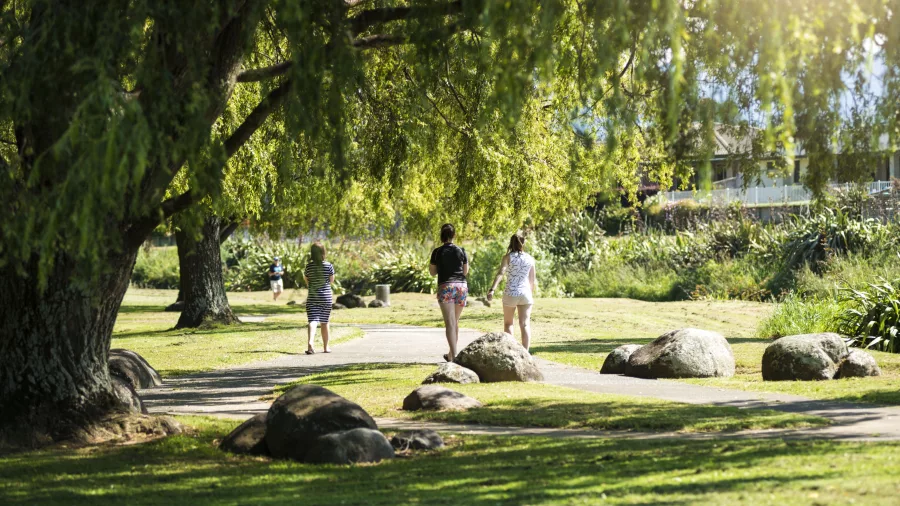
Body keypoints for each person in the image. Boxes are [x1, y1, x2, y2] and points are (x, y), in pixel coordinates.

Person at [486, 233, 536, 351]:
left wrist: (492, 290)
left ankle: (511, 351)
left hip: (511, 293)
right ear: (523, 243)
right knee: (525, 324)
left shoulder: (508, 257)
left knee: (508, 324)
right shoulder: (530, 258)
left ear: (511, 242)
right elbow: (532, 280)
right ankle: (526, 353)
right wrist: (529, 295)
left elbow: (501, 273)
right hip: (526, 294)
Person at [429, 223, 469, 362]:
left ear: (441, 235)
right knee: (455, 322)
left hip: (446, 287)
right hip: (461, 287)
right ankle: (451, 355)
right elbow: (465, 271)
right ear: (454, 235)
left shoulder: (437, 252)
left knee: (450, 323)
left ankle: (454, 356)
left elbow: (432, 272)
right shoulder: (461, 250)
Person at [303, 242, 335, 354]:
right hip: (326, 297)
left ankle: (310, 343)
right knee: (324, 322)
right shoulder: (328, 265)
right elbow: (331, 280)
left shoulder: (309, 266)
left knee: (312, 320)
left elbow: (306, 280)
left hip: (312, 297)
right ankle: (326, 347)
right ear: (323, 253)